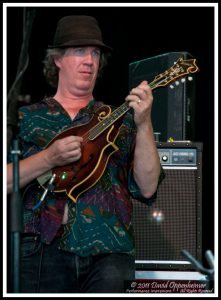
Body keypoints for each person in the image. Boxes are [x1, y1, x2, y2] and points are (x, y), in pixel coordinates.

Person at [7, 15, 164, 293]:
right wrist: (48, 158)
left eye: (95, 53)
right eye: (80, 51)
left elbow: (148, 186)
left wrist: (144, 122)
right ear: (57, 59)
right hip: (40, 251)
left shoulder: (121, 119)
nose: (90, 60)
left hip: (109, 253)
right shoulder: (25, 118)